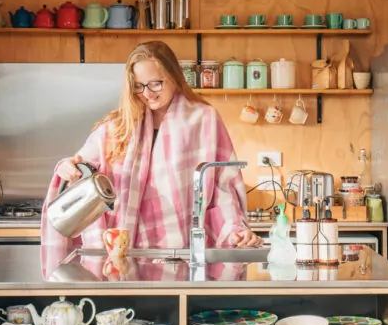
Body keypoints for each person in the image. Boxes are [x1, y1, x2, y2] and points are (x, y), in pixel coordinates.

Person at [41, 41, 262, 249]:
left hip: (182, 250)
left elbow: (224, 186)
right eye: (138, 86)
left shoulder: (204, 120)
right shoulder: (117, 127)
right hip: (123, 252)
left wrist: (235, 229)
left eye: (156, 83)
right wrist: (68, 168)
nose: (147, 94)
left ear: (174, 76)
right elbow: (82, 167)